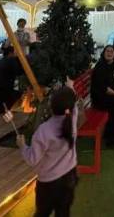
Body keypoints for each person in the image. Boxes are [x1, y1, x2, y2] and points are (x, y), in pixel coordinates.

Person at [6, 86, 79, 217]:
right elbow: (73, 102)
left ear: (51, 106)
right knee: (63, 212)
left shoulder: (44, 131)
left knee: (42, 213)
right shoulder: (73, 117)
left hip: (49, 184)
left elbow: (32, 159)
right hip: (70, 177)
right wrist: (70, 86)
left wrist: (22, 146)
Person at [0, 45, 24, 113]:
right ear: (11, 53)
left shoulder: (2, 60)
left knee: (16, 95)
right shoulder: (10, 60)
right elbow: (19, 72)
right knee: (19, 97)